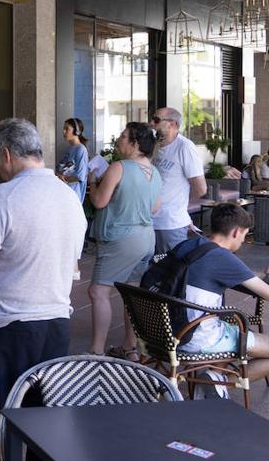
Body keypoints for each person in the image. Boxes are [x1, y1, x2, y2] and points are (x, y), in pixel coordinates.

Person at [0, 118, 86, 461]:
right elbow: (72, 264)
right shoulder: (68, 197)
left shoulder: (5, 197)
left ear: (8, 154)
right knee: (41, 426)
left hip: (6, 326)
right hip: (56, 325)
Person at [166, 202, 269, 387]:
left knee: (228, 326)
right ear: (236, 232)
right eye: (244, 236)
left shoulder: (189, 245)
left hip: (167, 332)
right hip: (196, 339)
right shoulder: (223, 258)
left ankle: (214, 377)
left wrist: (265, 276)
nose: (242, 242)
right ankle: (216, 383)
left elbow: (228, 275)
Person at [86, 123, 162, 357]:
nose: (118, 139)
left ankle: (96, 350)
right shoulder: (155, 171)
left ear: (135, 143)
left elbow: (99, 201)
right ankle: (130, 348)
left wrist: (92, 182)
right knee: (131, 292)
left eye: (122, 136)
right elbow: (155, 208)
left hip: (120, 238)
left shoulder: (118, 167)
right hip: (146, 237)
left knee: (98, 292)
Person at [150, 107, 206, 254]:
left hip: (170, 224)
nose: (151, 123)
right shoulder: (155, 146)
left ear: (172, 124)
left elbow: (200, 189)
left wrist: (179, 208)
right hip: (148, 222)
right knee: (152, 269)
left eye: (156, 120)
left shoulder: (185, 147)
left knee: (167, 268)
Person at [56, 117, 89, 203]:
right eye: (64, 129)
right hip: (64, 194)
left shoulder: (81, 150)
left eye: (67, 129)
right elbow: (61, 169)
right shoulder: (69, 149)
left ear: (77, 131)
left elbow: (79, 176)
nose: (64, 132)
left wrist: (64, 178)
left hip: (73, 197)